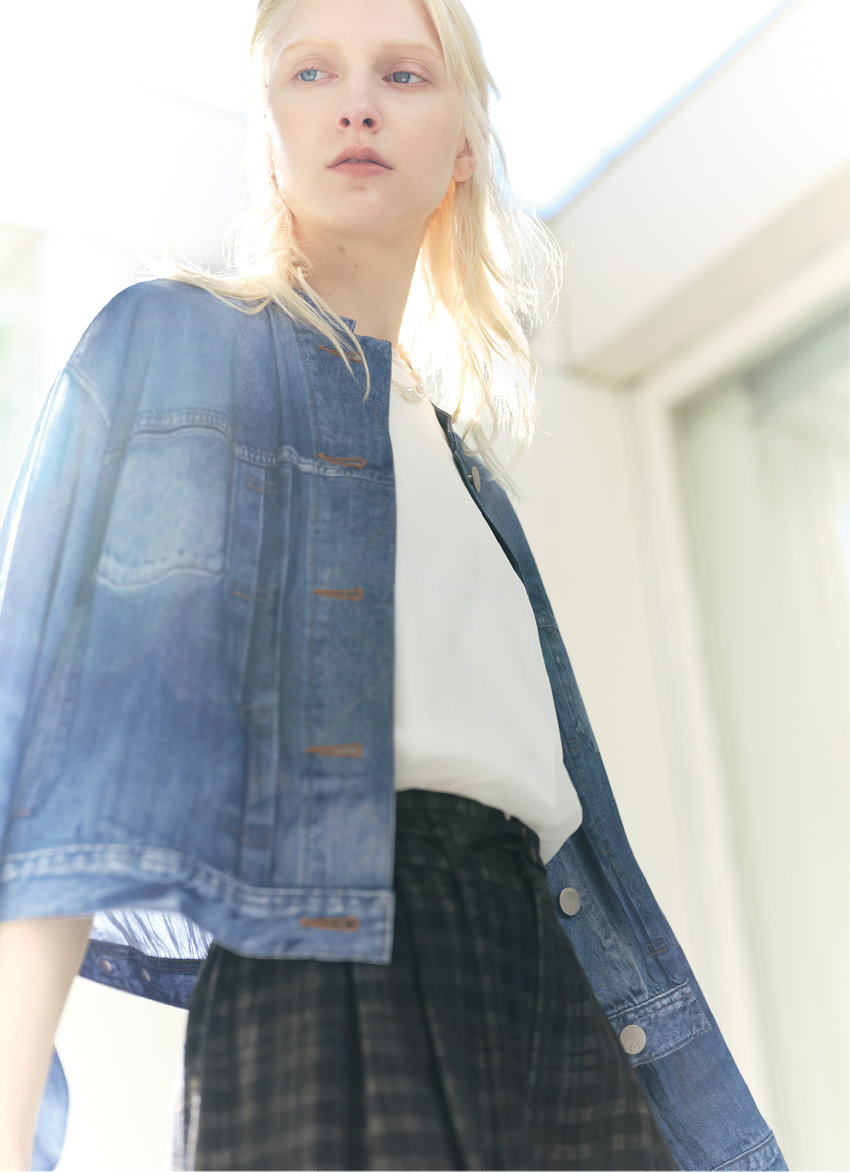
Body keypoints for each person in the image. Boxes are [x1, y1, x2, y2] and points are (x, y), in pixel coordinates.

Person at [0, 0, 787, 1169]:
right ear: (268, 126)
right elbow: (57, 776)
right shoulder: (171, 348)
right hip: (325, 972)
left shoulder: (468, 473)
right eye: (312, 72)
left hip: (553, 991)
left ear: (463, 144)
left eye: (404, 75)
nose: (358, 104)